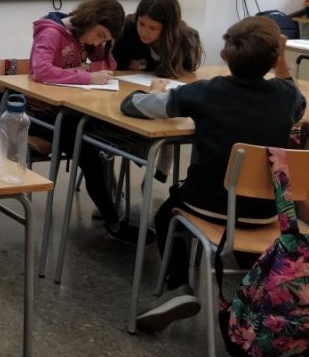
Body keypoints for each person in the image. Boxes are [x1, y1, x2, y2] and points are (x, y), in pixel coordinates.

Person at [122, 16, 305, 332]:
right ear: (276, 56)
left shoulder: (206, 91)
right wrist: (281, 65)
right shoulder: (286, 97)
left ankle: (178, 285)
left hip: (206, 203)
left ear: (225, 54)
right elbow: (297, 102)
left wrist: (140, 94)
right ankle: (255, 289)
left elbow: (138, 106)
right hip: (267, 214)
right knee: (237, 219)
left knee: (166, 214)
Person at [28, 0, 152, 244]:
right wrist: (86, 77)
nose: (97, 41)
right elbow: (41, 70)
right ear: (90, 20)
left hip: (69, 112)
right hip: (40, 115)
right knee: (90, 151)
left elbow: (108, 68)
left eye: (104, 38)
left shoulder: (84, 40)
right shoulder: (51, 33)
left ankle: (112, 204)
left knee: (104, 138)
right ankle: (113, 220)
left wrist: (101, 49)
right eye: (99, 35)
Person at [113, 0, 203, 78]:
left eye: (153, 28)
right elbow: (118, 64)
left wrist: (142, 64)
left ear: (168, 29)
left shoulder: (187, 39)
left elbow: (185, 73)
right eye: (141, 23)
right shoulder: (128, 29)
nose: (144, 32)